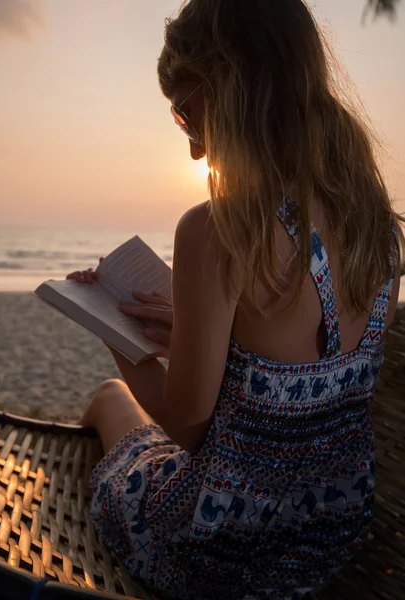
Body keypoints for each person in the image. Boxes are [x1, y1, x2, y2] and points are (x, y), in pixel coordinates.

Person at [67, 1, 404, 598]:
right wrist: (205, 332)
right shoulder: (377, 229)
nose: (195, 148)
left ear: (228, 89)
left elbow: (186, 429)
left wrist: (111, 327)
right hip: (329, 533)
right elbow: (310, 376)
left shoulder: (219, 231)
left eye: (184, 112)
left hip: (227, 544)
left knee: (109, 396)